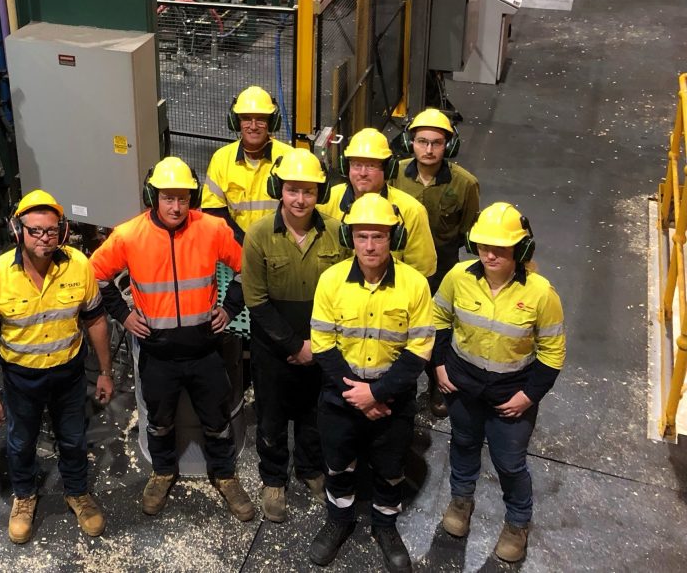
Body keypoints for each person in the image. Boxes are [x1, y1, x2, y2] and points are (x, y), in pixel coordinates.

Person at [91, 156, 255, 521]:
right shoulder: (129, 235)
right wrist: (124, 315)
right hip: (158, 354)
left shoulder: (211, 229)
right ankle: (163, 472)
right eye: (168, 198)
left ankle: (225, 476)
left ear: (192, 199)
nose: (176, 206)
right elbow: (96, 274)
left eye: (183, 198)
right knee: (159, 420)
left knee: (216, 419)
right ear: (153, 196)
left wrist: (228, 309)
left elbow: (248, 268)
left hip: (204, 351)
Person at [0, 189, 115, 544]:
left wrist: (105, 372)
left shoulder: (79, 265)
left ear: (62, 232)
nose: (43, 237)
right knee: (21, 442)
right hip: (22, 379)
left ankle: (77, 492)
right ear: (18, 231)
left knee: (73, 437)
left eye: (51, 230)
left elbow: (96, 320)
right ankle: (24, 496)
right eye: (34, 230)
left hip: (69, 374)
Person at [432, 203, 565, 564]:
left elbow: (552, 353)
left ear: (520, 250)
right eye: (483, 245)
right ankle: (461, 502)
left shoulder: (541, 294)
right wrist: (439, 365)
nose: (490, 254)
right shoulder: (458, 277)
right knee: (463, 444)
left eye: (501, 248)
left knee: (509, 463)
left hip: (512, 396)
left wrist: (528, 396)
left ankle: (517, 523)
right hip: (462, 386)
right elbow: (439, 318)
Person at [308, 193, 434, 573]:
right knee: (339, 463)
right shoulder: (331, 281)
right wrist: (358, 395)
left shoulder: (415, 285)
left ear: (392, 238)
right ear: (350, 238)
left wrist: (377, 394)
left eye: (378, 236)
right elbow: (322, 344)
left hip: (392, 399)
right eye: (362, 236)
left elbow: (419, 351)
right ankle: (339, 519)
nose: (370, 245)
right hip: (340, 396)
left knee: (390, 467)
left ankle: (385, 525)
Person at [241, 148, 350, 521]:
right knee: (271, 415)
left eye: (308, 191)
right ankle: (273, 478)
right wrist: (292, 345)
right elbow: (255, 300)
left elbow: (343, 295)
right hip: (272, 347)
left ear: (319, 193)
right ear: (279, 190)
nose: (300, 200)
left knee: (313, 412)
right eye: (292, 190)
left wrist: (315, 347)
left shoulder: (337, 233)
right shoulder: (257, 236)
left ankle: (310, 468)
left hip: (321, 343)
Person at [389, 108, 480, 418]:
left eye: (437, 143)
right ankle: (400, 388)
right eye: (422, 141)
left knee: (438, 332)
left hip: (441, 274)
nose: (428, 150)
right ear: (410, 143)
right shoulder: (394, 174)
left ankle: (436, 385)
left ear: (449, 146)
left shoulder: (465, 185)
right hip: (402, 270)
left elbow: (471, 235)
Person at [318, 127, 437, 278]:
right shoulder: (326, 202)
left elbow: (421, 272)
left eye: (371, 166)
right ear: (346, 167)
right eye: (356, 165)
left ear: (388, 169)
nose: (362, 173)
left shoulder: (411, 211)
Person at [201, 86, 293, 243]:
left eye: (261, 119)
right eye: (246, 118)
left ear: (272, 122)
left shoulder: (289, 158)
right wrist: (245, 243)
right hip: (236, 247)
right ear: (236, 122)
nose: (253, 126)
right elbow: (213, 211)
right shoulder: (221, 159)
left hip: (280, 247)